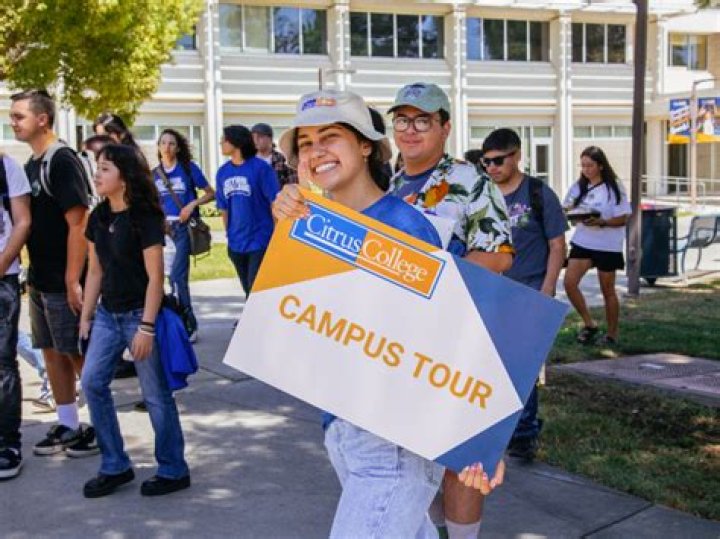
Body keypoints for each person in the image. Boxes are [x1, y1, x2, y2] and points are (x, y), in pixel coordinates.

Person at [272, 89, 502, 537]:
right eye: (305, 143)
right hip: (343, 428)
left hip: (391, 442)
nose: (316, 151)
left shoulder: (403, 226)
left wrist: (482, 439)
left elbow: (448, 336)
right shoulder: (314, 223)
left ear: (365, 145)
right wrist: (294, 214)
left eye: (330, 137)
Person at [388, 82, 512, 539]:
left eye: (423, 120)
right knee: (417, 447)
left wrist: (430, 281)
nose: (410, 129)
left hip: (457, 334)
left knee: (462, 454)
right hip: (403, 339)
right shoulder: (390, 184)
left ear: (445, 127)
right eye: (402, 119)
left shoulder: (469, 181)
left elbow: (498, 255)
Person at [79, 144, 190, 498]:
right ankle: (115, 465)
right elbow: (95, 271)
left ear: (124, 177)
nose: (97, 174)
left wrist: (146, 326)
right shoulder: (98, 216)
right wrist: (86, 316)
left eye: (105, 168)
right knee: (92, 383)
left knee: (155, 396)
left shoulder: (144, 216)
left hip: (140, 315)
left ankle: (173, 469)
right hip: (107, 316)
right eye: (97, 167)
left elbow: (156, 278)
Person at [10, 89, 98, 457]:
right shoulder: (32, 163)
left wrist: (73, 278)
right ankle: (68, 424)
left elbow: (79, 223)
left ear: (42, 119)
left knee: (77, 354)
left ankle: (101, 427)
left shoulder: (61, 160)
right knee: (51, 352)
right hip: (41, 278)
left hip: (65, 279)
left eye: (19, 116)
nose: (13, 122)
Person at [481, 128, 568, 462]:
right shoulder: (484, 194)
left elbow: (557, 245)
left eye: (498, 161)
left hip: (529, 290)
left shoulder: (537, 193)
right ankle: (498, 427)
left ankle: (524, 433)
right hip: (493, 292)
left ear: (516, 155)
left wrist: (547, 289)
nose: (491, 168)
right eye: (486, 162)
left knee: (521, 365)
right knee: (492, 364)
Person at [563, 146, 631, 345]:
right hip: (583, 241)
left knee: (607, 290)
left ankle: (611, 334)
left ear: (601, 165)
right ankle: (589, 324)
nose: (586, 170)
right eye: (583, 165)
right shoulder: (579, 187)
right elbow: (566, 208)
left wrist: (602, 222)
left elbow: (622, 218)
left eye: (590, 165)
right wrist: (572, 214)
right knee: (569, 283)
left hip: (607, 244)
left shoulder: (614, 187)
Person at [153, 128, 215, 343]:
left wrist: (192, 205)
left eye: (171, 143)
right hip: (163, 230)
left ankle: (189, 323)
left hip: (183, 228)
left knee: (178, 276)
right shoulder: (154, 174)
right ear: (158, 147)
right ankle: (173, 322)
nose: (167, 147)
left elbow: (210, 193)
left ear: (178, 148)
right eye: (163, 143)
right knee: (164, 278)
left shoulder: (188, 169)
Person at [216, 125, 279, 298]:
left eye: (224, 140)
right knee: (248, 290)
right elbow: (223, 207)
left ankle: (256, 315)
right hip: (236, 242)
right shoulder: (222, 172)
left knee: (254, 288)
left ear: (236, 142)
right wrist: (228, 234)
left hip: (260, 239)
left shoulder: (261, 169)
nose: (221, 143)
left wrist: (277, 235)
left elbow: (274, 202)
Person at [0, 152, 32, 479]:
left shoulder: (6, 167)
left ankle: (8, 443)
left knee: (3, 363)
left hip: (2, 279)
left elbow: (22, 221)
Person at [251, 123, 297, 188]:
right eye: (253, 137)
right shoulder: (247, 160)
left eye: (260, 136)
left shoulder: (282, 159)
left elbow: (293, 184)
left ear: (270, 138)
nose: (256, 140)